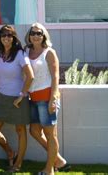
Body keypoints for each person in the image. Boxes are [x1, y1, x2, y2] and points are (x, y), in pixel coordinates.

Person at [0, 25, 34, 172]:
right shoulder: (2, 53)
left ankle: (18, 164)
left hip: (17, 99)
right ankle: (10, 152)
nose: (6, 38)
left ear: (14, 38)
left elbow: (30, 76)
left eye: (9, 35)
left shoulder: (20, 54)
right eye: (3, 35)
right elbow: (4, 73)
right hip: (2, 97)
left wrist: (22, 95)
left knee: (20, 130)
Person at [25, 23, 69, 175]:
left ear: (44, 36)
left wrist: (53, 98)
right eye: (33, 33)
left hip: (46, 98)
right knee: (34, 131)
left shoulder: (49, 52)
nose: (36, 35)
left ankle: (50, 169)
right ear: (29, 36)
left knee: (51, 135)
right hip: (32, 98)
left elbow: (56, 76)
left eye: (39, 33)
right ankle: (58, 159)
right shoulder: (27, 52)